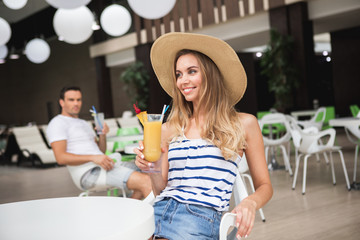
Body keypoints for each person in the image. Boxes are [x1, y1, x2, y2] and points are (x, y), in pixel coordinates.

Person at [134, 32, 273, 239]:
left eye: (191, 71)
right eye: (179, 74)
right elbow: (159, 190)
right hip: (157, 212)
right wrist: (152, 167)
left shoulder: (244, 124)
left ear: (210, 74)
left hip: (199, 218)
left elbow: (265, 186)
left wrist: (250, 202)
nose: (183, 81)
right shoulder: (169, 128)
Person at [47, 86, 151, 199]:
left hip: (104, 165)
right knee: (145, 181)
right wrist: (93, 158)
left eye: (79, 99)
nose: (76, 103)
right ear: (62, 102)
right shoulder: (57, 123)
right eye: (71, 100)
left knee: (150, 173)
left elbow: (100, 151)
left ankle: (128, 212)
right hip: (87, 172)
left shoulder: (84, 124)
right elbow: (60, 158)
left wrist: (102, 134)